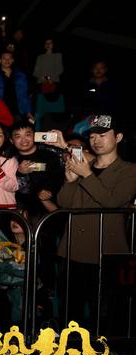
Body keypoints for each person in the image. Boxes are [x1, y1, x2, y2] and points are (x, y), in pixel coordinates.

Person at [53, 116, 136, 334]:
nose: (96, 140)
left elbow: (113, 201)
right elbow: (64, 203)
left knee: (107, 313)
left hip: (106, 252)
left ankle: (109, 350)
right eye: (92, 136)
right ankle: (71, 349)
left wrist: (86, 175)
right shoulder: (84, 166)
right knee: (70, 311)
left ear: (118, 137)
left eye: (102, 135)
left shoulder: (129, 170)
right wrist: (70, 181)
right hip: (73, 250)